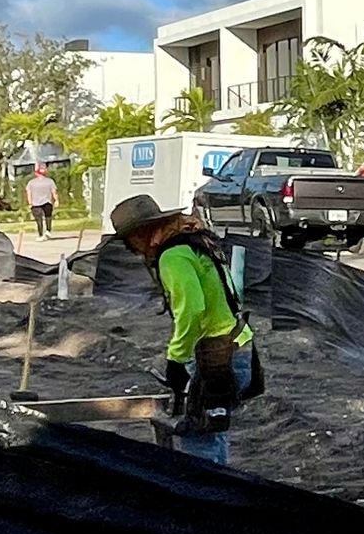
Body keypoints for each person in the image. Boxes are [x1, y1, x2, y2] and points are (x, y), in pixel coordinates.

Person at [110, 195, 260, 465]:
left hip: (215, 354)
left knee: (199, 439)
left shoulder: (173, 256)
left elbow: (192, 310)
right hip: (235, 343)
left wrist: (176, 358)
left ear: (139, 234)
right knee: (214, 431)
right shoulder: (197, 243)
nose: (133, 250)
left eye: (130, 242)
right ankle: (220, 496)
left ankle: (205, 502)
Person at [25, 165, 58, 238]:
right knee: (48, 217)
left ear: (36, 173)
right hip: (47, 202)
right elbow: (54, 192)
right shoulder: (50, 181)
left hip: (35, 203)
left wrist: (30, 203)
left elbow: (29, 193)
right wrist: (56, 200)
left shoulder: (31, 182)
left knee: (38, 219)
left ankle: (40, 234)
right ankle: (48, 231)